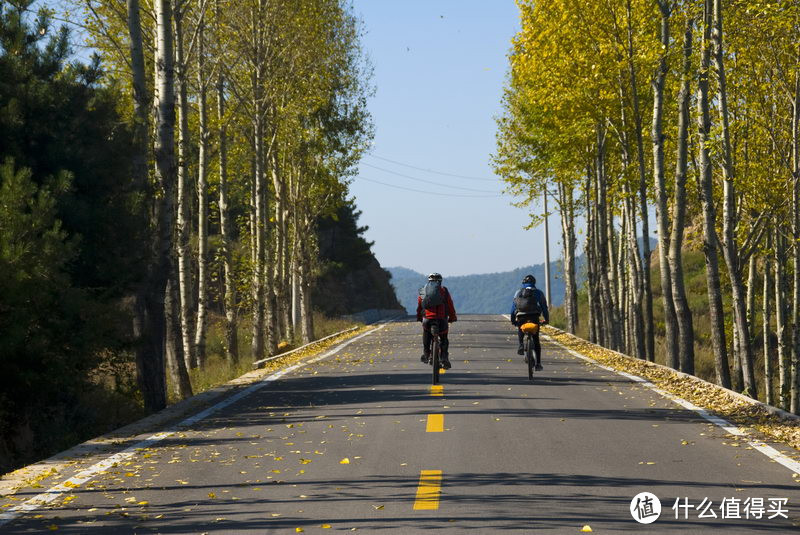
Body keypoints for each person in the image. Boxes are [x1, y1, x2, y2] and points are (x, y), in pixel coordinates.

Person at [416, 273, 457, 369]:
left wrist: (419, 317)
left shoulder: (423, 291)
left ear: (429, 281)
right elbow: (450, 306)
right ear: (440, 281)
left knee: (426, 333)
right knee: (444, 339)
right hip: (441, 320)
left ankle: (427, 354)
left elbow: (419, 306)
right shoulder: (444, 291)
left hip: (428, 320)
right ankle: (444, 358)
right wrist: (452, 317)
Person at [510, 274, 549, 370]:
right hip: (534, 316)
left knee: (520, 328)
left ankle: (520, 345)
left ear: (523, 283)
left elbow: (513, 308)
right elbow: (544, 307)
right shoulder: (538, 292)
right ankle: (538, 364)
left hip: (521, 316)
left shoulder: (518, 292)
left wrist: (513, 320)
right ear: (534, 283)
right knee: (536, 340)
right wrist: (546, 320)